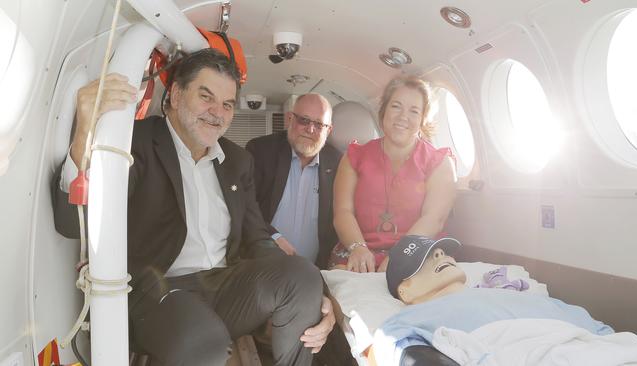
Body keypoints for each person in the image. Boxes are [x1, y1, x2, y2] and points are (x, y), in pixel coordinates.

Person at [51, 49, 333, 366]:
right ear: (174, 94)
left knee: (304, 276)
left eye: (227, 105)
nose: (217, 112)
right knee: (203, 341)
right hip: (156, 292)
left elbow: (258, 238)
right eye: (206, 96)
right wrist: (84, 132)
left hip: (224, 288)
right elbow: (71, 223)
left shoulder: (238, 161)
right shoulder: (134, 142)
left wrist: (310, 299)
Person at [376, 235, 616, 366]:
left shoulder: (524, 297)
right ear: (405, 290)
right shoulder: (407, 322)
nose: (440, 254)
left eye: (441, 251)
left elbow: (605, 336)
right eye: (425, 258)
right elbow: (406, 355)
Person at [329, 75, 457, 273]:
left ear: (423, 119)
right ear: (384, 111)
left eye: (414, 111)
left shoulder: (440, 162)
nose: (403, 116)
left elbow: (434, 219)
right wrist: (358, 248)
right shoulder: (353, 157)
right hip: (360, 251)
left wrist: (399, 256)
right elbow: (342, 212)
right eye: (396, 106)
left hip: (418, 251)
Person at [245, 94, 341, 269]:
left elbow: (340, 221)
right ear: (290, 119)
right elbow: (246, 207)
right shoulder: (261, 151)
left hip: (314, 273)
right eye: (304, 120)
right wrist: (273, 237)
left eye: (319, 124)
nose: (310, 129)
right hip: (261, 266)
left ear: (328, 131)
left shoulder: (338, 164)